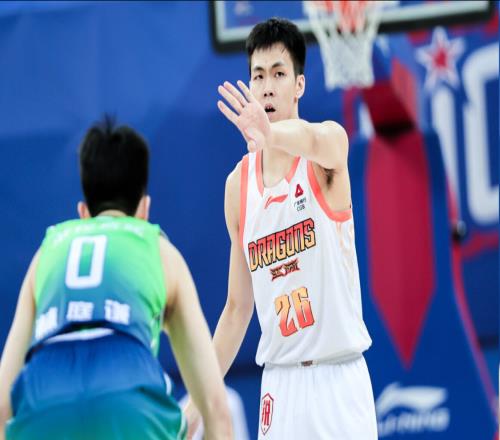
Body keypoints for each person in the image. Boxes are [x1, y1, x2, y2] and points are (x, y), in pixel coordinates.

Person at [184, 18, 377, 439]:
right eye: (258, 76)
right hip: (280, 386)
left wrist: (269, 134)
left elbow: (310, 138)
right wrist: (197, 404)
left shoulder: (327, 149)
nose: (267, 87)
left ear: (299, 85)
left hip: (339, 379)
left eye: (278, 74)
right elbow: (237, 311)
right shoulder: (238, 186)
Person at [0, 118, 233, 440]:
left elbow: (2, 404)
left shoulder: (47, 250)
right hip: (129, 397)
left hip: (44, 401)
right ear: (144, 210)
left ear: (83, 213)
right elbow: (216, 409)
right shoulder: (159, 250)